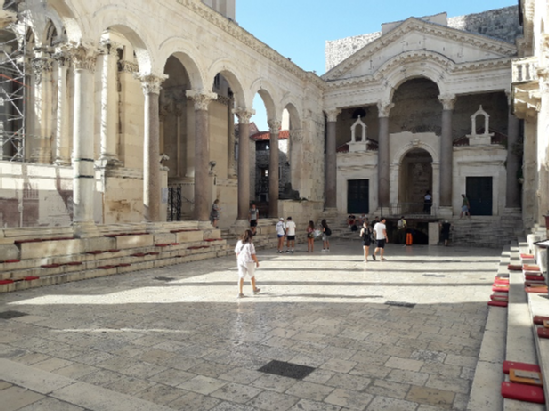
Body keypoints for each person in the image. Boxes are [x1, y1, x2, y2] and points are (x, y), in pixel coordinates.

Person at [234, 229, 260, 298]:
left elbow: (237, 253)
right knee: (252, 275)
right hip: (248, 261)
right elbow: (253, 255)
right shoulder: (250, 244)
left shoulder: (239, 242)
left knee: (241, 276)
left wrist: (238, 260)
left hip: (240, 261)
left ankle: (240, 292)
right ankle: (254, 289)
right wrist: (257, 262)